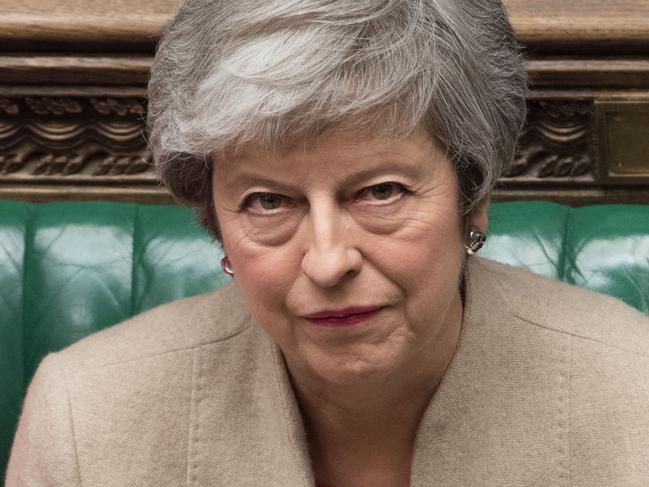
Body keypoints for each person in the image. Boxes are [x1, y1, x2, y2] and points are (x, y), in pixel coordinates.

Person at [6, 1, 649, 486]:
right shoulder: (86, 419)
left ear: (471, 196)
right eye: (268, 202)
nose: (328, 260)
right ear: (218, 223)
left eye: (380, 192)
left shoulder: (632, 393)